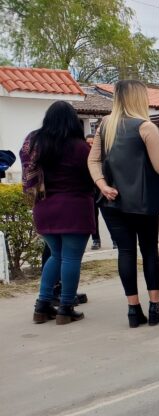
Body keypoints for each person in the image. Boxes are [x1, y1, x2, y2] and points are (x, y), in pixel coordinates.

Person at [88, 79, 159, 327]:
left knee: (125, 252)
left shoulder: (105, 125)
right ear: (139, 98)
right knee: (149, 250)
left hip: (111, 201)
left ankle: (133, 310)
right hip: (142, 201)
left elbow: (93, 161)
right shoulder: (146, 127)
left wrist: (102, 185)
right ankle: (155, 308)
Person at [22, 101, 94, 325]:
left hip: (44, 208)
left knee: (56, 256)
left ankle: (42, 306)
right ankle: (65, 308)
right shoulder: (81, 148)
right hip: (74, 208)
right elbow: (92, 177)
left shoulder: (36, 143)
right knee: (71, 258)